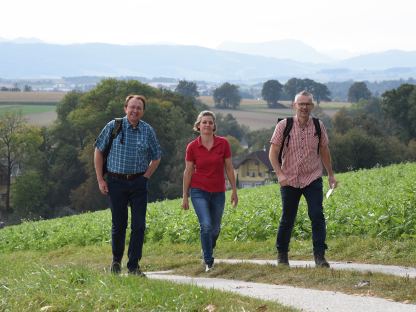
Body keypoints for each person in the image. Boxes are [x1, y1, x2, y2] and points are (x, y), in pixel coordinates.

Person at [94, 94, 161, 276]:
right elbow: (99, 151)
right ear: (125, 108)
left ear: (143, 111)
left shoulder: (147, 130)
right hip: (116, 182)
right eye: (132, 107)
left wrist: (146, 177)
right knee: (119, 224)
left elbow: (156, 157)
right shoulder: (114, 126)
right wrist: (100, 179)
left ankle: (133, 266)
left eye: (139, 108)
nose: (135, 111)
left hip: (138, 182)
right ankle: (116, 261)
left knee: (139, 225)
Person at [269, 90, 337, 268]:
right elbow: (273, 153)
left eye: (307, 104)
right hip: (289, 179)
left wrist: (330, 174)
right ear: (294, 106)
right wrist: (280, 174)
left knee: (317, 215)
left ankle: (320, 257)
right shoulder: (284, 125)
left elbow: (324, 151)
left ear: (312, 106)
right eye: (301, 104)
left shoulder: (318, 126)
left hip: (312, 177)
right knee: (288, 218)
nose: (304, 107)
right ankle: (282, 255)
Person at [182, 110, 238, 272]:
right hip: (198, 191)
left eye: (210, 122)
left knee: (215, 229)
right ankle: (208, 261)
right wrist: (185, 196)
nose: (207, 125)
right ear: (198, 126)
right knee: (206, 226)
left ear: (214, 126)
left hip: (218, 192)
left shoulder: (223, 144)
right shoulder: (192, 147)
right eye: (204, 122)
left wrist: (234, 191)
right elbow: (188, 172)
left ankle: (207, 246)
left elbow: (229, 167)